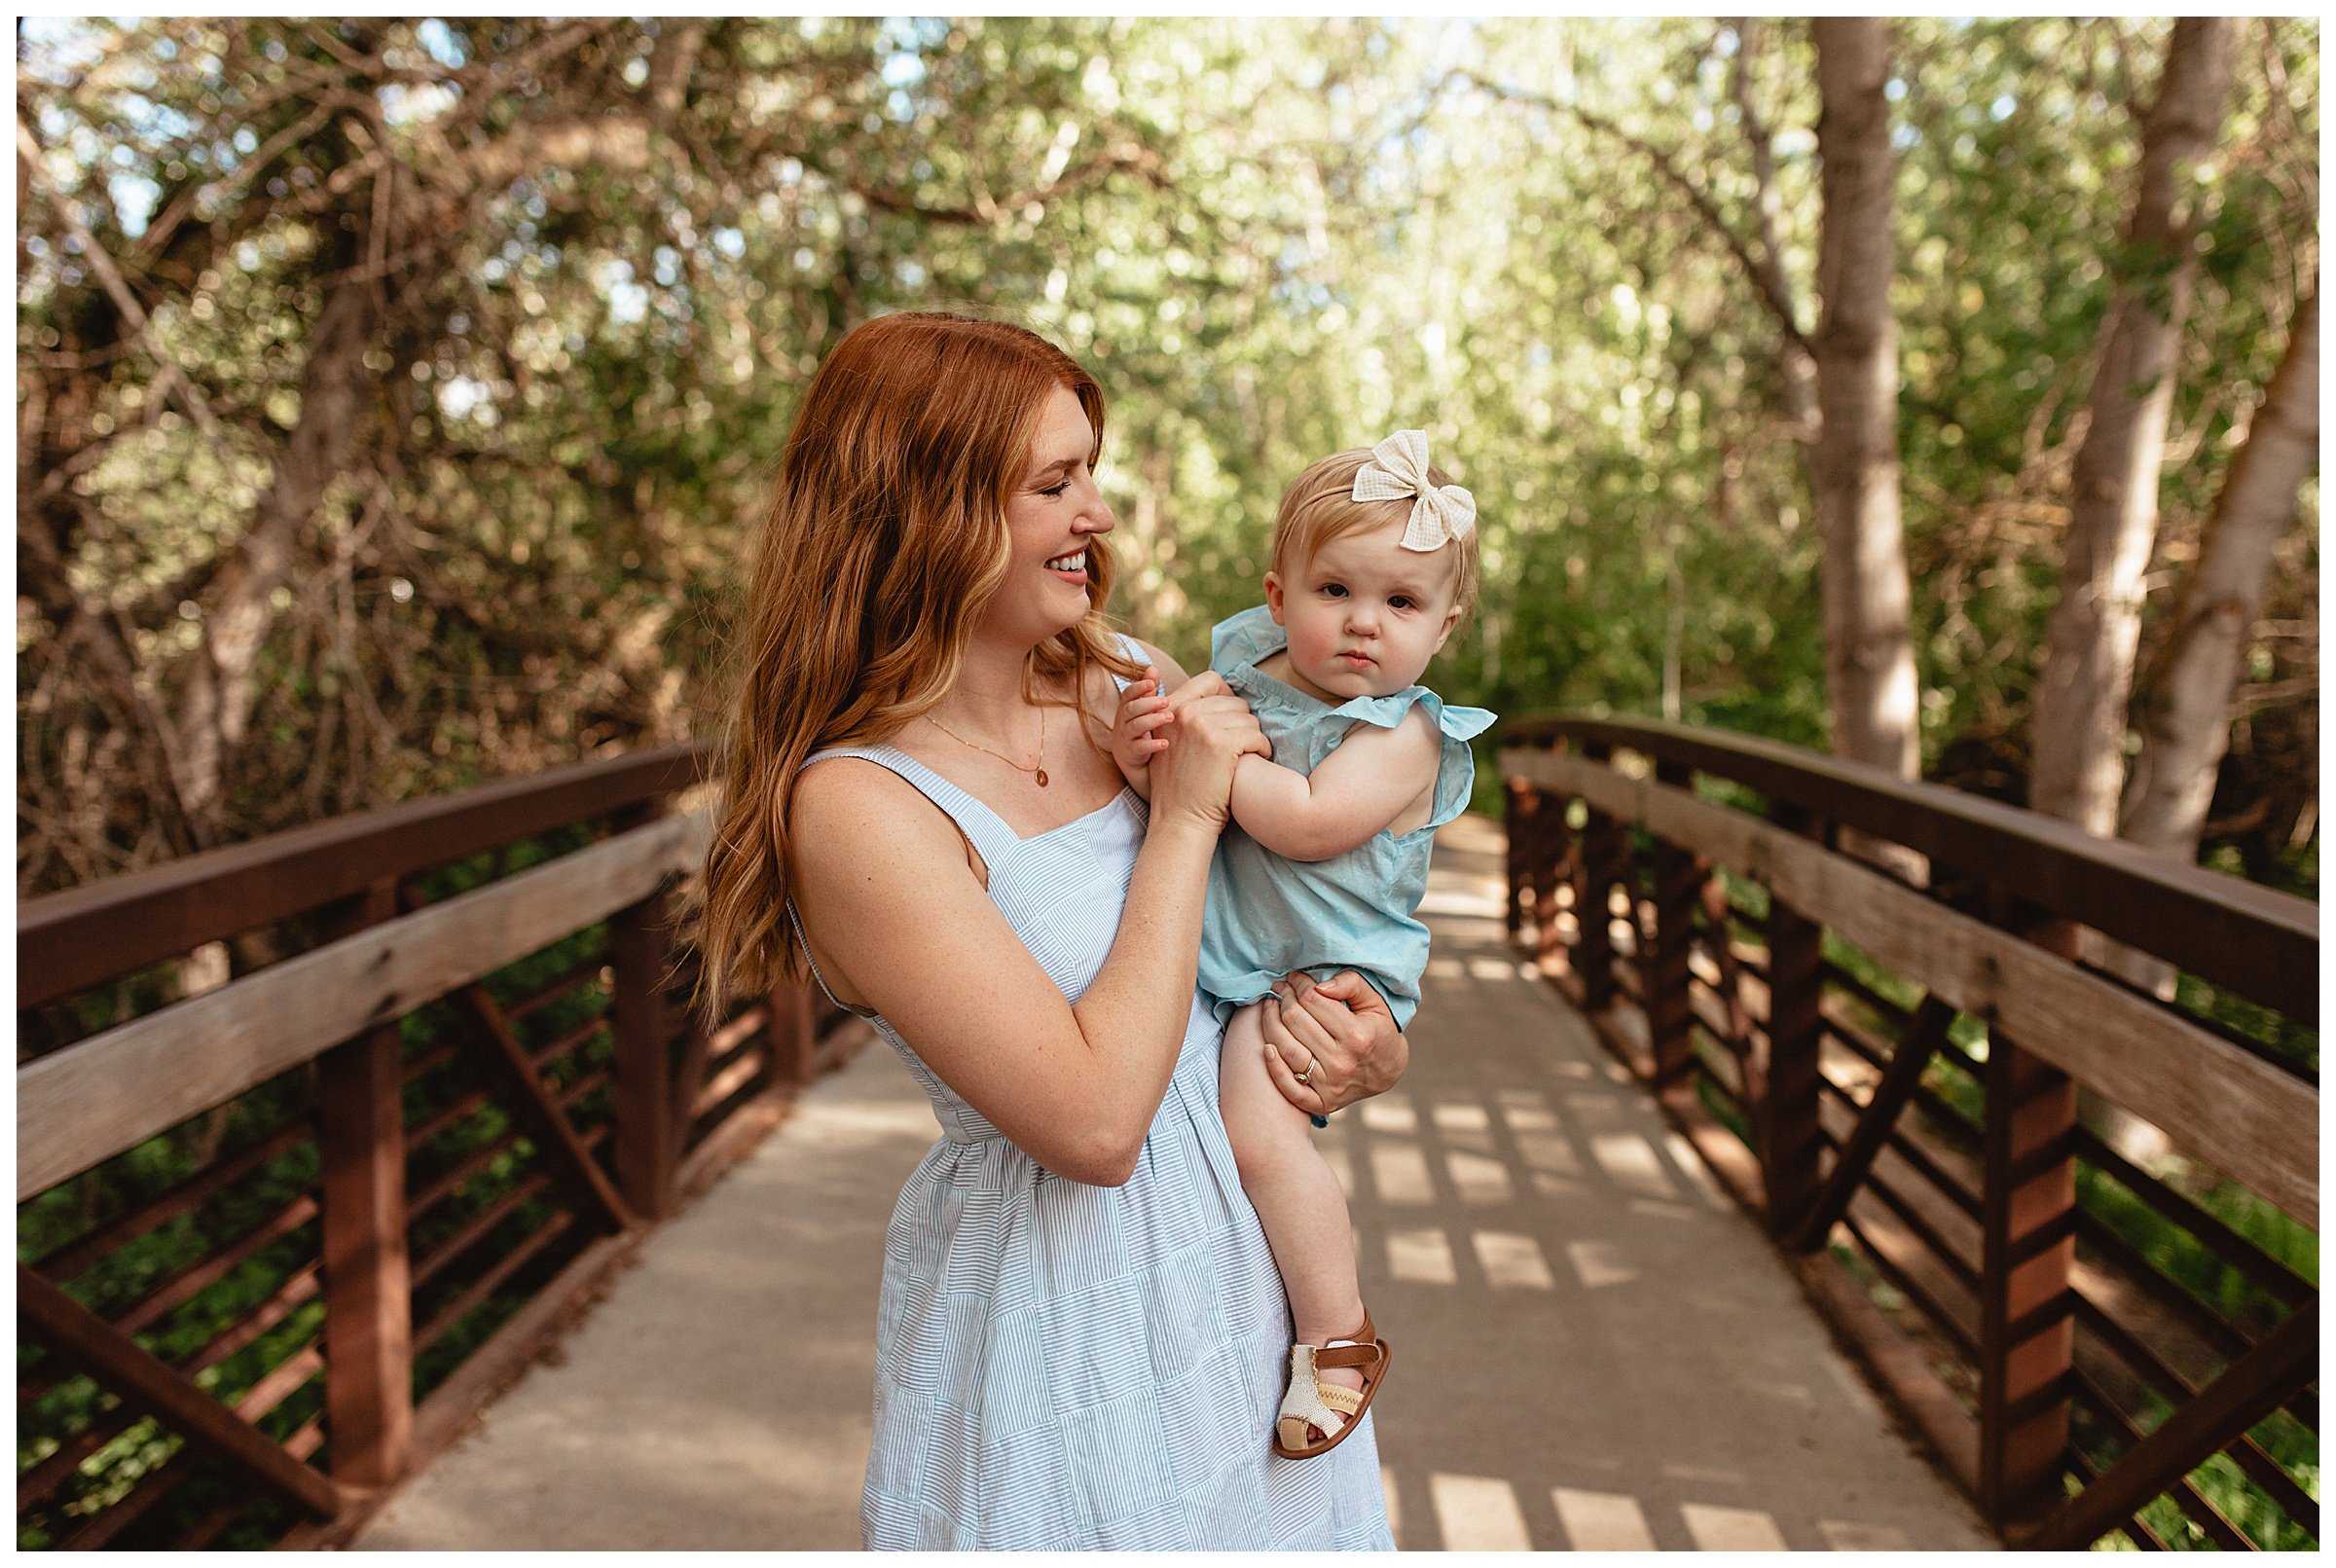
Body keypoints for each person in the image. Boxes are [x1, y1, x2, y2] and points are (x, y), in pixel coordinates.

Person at [692, 311, 1402, 1550]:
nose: (1099, 516)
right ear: (929, 513)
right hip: (1064, 1321)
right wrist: (1180, 822)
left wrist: (1363, 1048)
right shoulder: (858, 805)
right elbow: (1089, 1123)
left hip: (1243, 1285)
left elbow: (1271, 942)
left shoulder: (1124, 676)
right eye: (1055, 483)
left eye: (1093, 474)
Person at [1109, 431, 1492, 1460]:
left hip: (1322, 971)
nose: (1365, 624)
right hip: (1241, 945)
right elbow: (1180, 741)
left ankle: (1337, 1335)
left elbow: (1310, 821)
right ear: (1278, 597)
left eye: (1402, 605)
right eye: (1336, 590)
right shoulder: (1247, 671)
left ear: (1444, 625)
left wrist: (1204, 770)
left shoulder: (1406, 732)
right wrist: (1148, 747)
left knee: (1255, 1123)